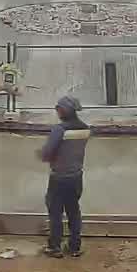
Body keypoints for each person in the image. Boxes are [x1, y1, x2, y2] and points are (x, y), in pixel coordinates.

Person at [38, 95, 92, 258]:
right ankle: (74, 247)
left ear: (64, 110)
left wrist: (42, 154)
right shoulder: (85, 129)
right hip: (76, 177)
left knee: (55, 212)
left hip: (59, 177)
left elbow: (47, 154)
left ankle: (55, 247)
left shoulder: (60, 130)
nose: (57, 111)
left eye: (58, 108)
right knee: (73, 211)